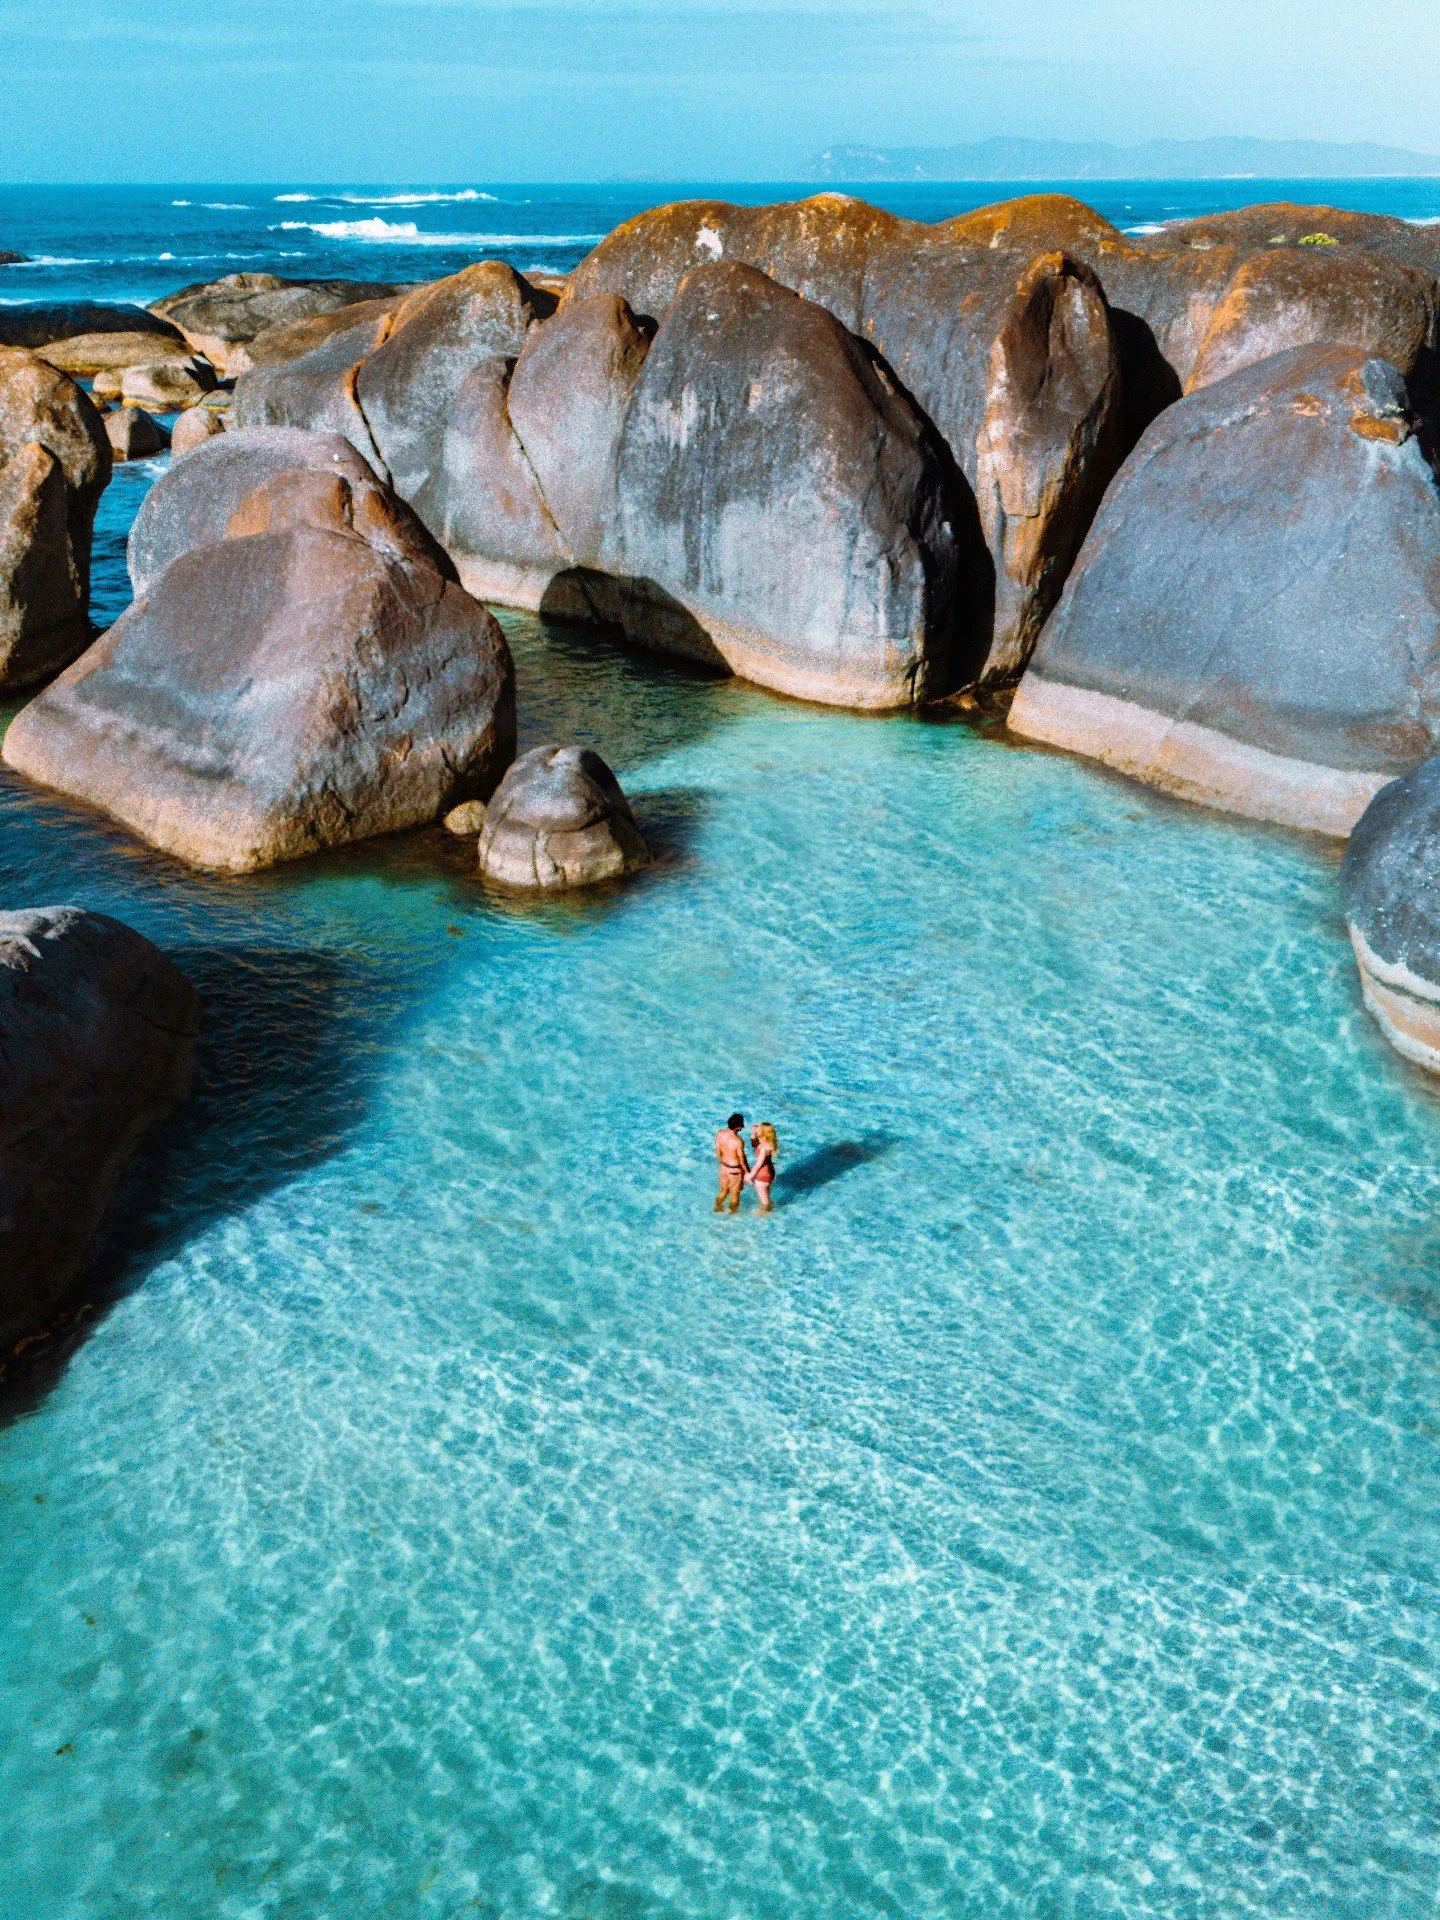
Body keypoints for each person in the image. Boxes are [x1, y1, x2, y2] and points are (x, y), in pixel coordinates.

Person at [715, 1112, 749, 1212]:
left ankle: (717, 1207)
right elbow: (742, 1160)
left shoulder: (720, 1133)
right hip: (735, 1171)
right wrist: (748, 1173)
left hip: (723, 1167)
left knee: (723, 1191)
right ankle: (733, 1217)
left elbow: (718, 1151)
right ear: (738, 1126)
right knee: (735, 1195)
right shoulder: (738, 1141)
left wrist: (723, 1162)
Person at [750, 1123, 778, 1211]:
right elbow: (754, 1144)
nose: (756, 1128)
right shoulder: (768, 1144)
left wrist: (749, 1176)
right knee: (767, 1196)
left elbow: (759, 1164)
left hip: (762, 1176)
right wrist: (753, 1134)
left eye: (759, 1128)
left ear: (762, 1134)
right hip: (769, 1173)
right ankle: (770, 1207)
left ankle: (765, 1214)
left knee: (764, 1203)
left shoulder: (763, 1148)